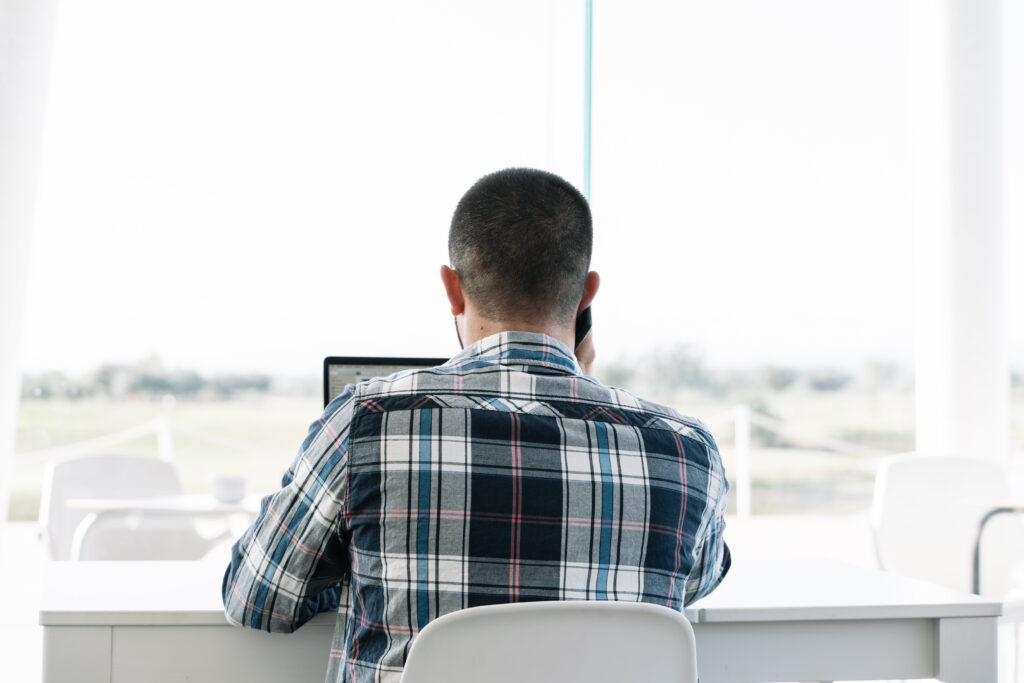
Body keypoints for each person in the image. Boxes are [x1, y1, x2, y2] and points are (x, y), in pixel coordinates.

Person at [222, 168, 731, 682]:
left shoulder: (366, 422)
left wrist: (361, 571)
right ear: (586, 297)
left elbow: (258, 600)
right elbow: (684, 584)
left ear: (452, 289)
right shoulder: (686, 450)